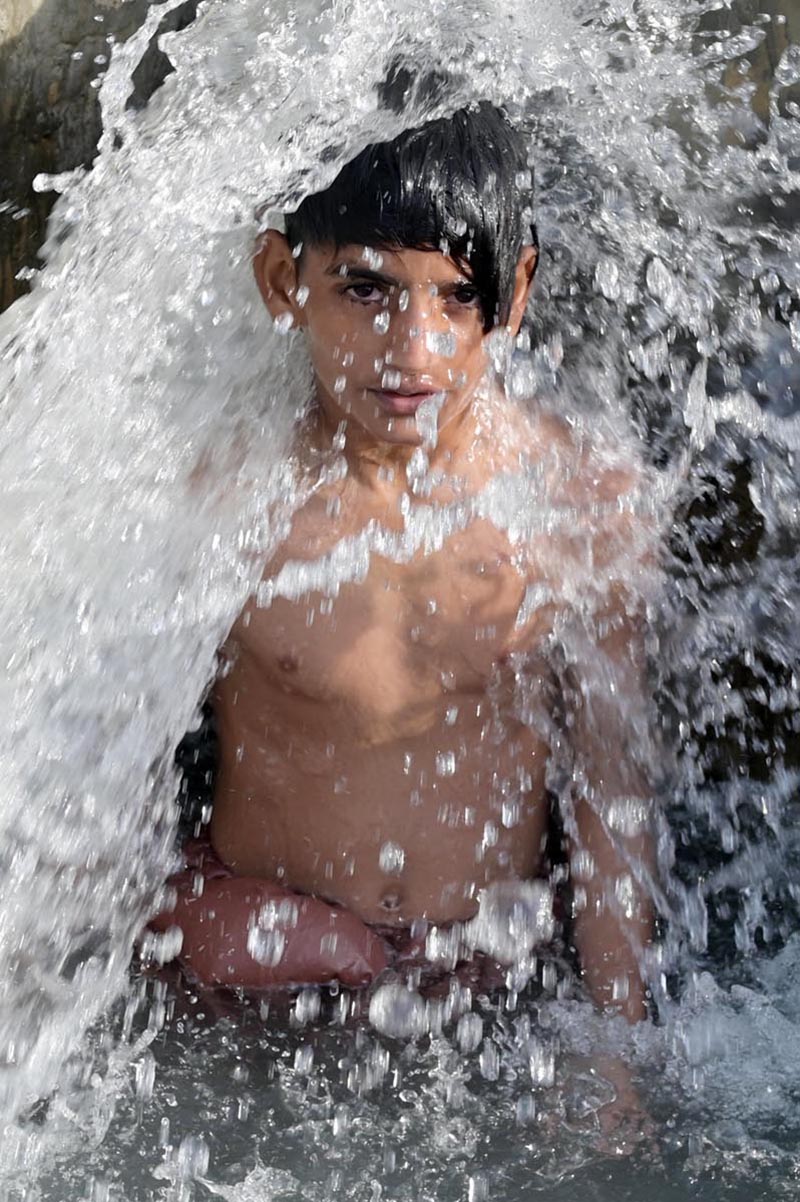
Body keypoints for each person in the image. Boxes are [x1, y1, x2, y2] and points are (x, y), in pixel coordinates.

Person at [149, 99, 657, 1036]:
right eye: (366, 290)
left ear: (514, 295)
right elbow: (97, 774)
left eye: (457, 296)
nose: (411, 349)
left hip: (479, 974)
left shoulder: (580, 502)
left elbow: (610, 790)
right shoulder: (224, 498)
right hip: (261, 960)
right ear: (282, 280)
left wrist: (617, 1051)